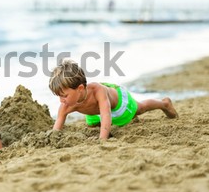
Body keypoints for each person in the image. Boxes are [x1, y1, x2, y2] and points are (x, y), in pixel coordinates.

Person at [49, 59, 178, 139]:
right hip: (96, 110)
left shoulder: (98, 91)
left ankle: (164, 104)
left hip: (117, 101)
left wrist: (102, 139)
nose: (61, 100)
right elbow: (56, 130)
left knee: (139, 109)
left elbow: (106, 114)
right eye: (59, 96)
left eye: (64, 95)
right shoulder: (66, 105)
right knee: (91, 124)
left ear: (80, 89)